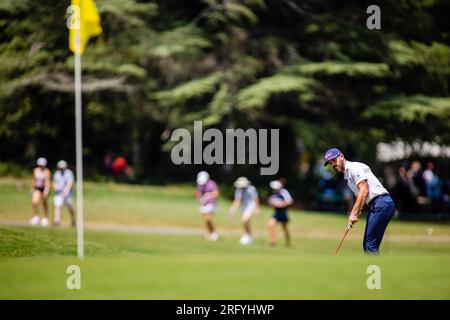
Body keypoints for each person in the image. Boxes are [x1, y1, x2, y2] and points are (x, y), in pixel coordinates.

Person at [323, 148, 396, 254]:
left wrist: (353, 213)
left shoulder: (353, 168)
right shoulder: (348, 178)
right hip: (379, 204)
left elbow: (364, 189)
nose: (333, 164)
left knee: (370, 246)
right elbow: (361, 197)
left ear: (342, 156)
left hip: (381, 203)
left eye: (334, 160)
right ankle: (376, 269)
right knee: (369, 245)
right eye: (330, 163)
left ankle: (375, 270)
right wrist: (357, 212)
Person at [228, 177, 260, 245]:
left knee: (244, 220)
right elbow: (237, 201)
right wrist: (232, 211)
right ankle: (248, 235)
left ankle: (247, 236)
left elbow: (256, 199)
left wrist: (257, 209)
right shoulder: (238, 190)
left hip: (251, 206)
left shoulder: (251, 189)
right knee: (245, 222)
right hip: (244, 208)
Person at [267, 179, 293, 247]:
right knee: (270, 224)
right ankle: (273, 241)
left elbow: (290, 201)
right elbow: (271, 201)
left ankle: (288, 242)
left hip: (283, 212)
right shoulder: (274, 193)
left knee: (284, 228)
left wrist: (281, 205)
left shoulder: (284, 192)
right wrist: (272, 203)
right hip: (276, 212)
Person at [194, 171, 219, 241]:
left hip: (211, 204)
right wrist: (199, 197)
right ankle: (209, 232)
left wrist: (209, 195)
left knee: (208, 219)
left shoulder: (212, 184)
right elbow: (197, 193)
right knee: (205, 220)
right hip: (203, 204)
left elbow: (216, 194)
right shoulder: (200, 185)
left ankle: (213, 233)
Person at [53, 160, 75, 227]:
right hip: (59, 193)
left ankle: (73, 220)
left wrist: (66, 192)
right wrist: (55, 187)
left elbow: (70, 183)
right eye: (60, 167)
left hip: (68, 194)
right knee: (57, 206)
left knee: (69, 207)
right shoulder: (56, 173)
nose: (61, 169)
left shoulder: (69, 173)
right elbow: (55, 182)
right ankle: (57, 221)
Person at [30, 157, 51, 226]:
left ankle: (45, 218)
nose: (41, 166)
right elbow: (34, 179)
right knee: (34, 202)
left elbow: (47, 181)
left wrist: (46, 190)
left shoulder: (47, 171)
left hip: (44, 189)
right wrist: (32, 188)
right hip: (37, 188)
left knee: (44, 203)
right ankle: (36, 217)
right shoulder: (36, 170)